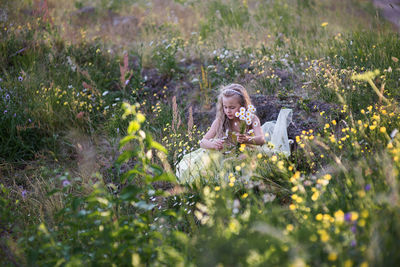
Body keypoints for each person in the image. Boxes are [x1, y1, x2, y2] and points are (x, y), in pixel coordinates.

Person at [175, 83, 292, 184]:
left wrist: (247, 139)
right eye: (225, 107)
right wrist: (212, 144)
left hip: (247, 152)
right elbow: (202, 142)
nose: (228, 111)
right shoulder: (220, 121)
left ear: (242, 106)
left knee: (250, 161)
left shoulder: (252, 119)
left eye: (232, 107)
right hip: (225, 154)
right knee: (213, 167)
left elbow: (261, 140)